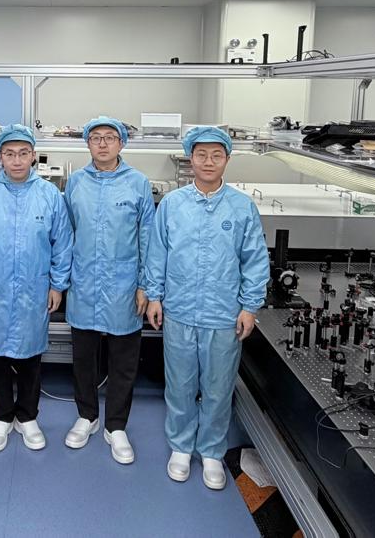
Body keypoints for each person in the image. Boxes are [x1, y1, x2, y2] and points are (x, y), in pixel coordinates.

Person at [145, 125, 270, 490]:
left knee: (218, 386)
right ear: (191, 159)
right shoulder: (172, 205)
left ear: (227, 159)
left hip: (223, 314)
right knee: (180, 384)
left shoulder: (242, 207)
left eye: (216, 155)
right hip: (180, 310)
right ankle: (181, 447)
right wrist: (154, 296)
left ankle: (212, 451)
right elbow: (157, 253)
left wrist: (250, 307)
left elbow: (254, 260)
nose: (208, 162)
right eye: (201, 155)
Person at [0, 124, 73, 453]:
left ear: (33, 157)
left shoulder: (49, 195)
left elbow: (62, 243)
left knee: (31, 355)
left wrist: (57, 285)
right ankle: (1, 416)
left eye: (23, 153)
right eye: (10, 154)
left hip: (34, 288)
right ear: (0, 157)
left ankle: (27, 416)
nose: (16, 160)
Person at [63, 116, 155, 464]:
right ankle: (87, 416)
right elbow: (67, 233)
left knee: (123, 361)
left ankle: (116, 426)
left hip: (124, 285)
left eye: (110, 137)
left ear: (121, 143)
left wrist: (146, 285)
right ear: (88, 144)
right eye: (96, 137)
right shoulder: (76, 183)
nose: (102, 143)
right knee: (83, 359)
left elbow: (148, 238)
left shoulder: (138, 183)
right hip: (84, 282)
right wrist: (62, 280)